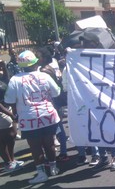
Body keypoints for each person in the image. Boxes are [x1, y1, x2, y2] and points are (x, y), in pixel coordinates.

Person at [4, 50, 61, 184]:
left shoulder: (15, 80)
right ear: (35, 63)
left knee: (35, 147)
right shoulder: (44, 76)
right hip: (48, 115)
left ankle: (41, 173)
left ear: (21, 66)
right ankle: (53, 168)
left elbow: (9, 100)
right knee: (50, 143)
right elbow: (56, 93)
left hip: (28, 118)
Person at [36, 47, 69, 162]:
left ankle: (63, 152)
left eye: (38, 56)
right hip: (54, 101)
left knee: (58, 128)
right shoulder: (48, 68)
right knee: (58, 128)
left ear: (44, 58)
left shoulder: (44, 71)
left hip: (52, 102)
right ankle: (63, 151)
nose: (36, 58)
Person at [0, 80, 24, 173]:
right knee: (5, 140)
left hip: (5, 110)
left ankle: (11, 161)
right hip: (2, 113)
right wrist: (10, 114)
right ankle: (9, 163)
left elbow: (6, 78)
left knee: (10, 137)